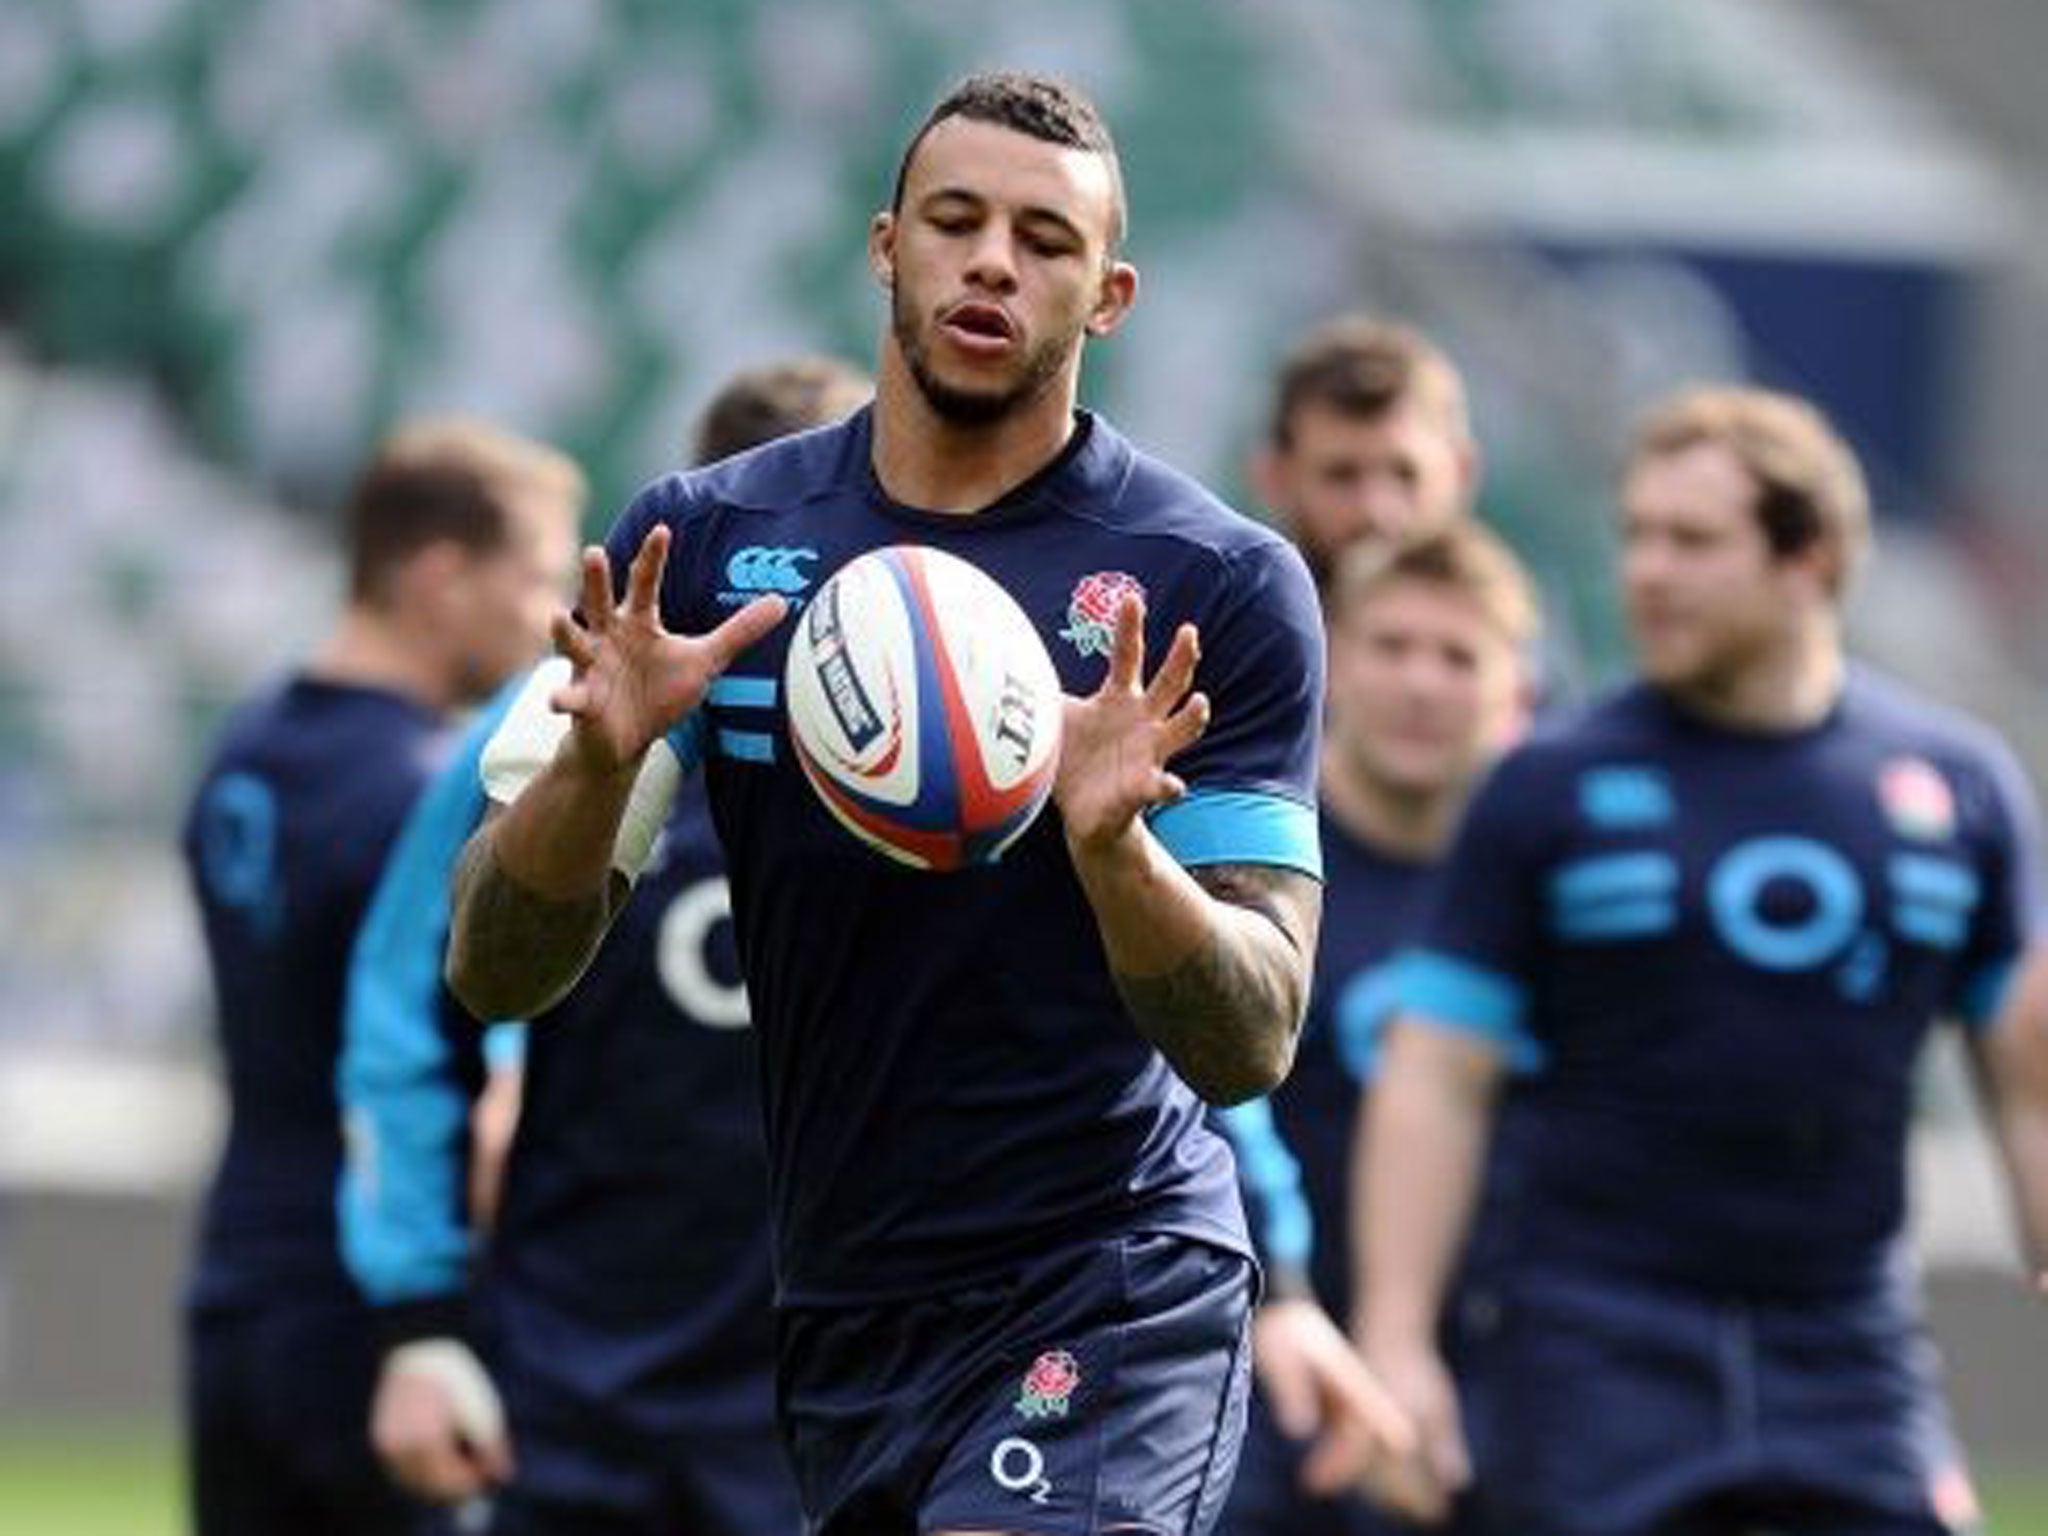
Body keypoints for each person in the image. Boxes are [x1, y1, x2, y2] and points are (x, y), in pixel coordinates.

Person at [445, 70, 1406, 1536]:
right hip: (845, 1303)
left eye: (1044, 239)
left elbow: (1250, 1037)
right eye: (956, 221)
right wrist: (591, 771)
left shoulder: (1210, 585)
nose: (993, 263)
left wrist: (1114, 847)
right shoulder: (699, 548)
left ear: (1112, 296)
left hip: (1110, 1277)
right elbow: (495, 964)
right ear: (887, 245)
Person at [1356, 385, 2048, 1535]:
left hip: (1848, 1347)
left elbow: (2022, 1077)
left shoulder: (1959, 788)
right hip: (1587, 1347)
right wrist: (1395, 1339)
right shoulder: (1548, 784)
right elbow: (1435, 1081)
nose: (1646, 571)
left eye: (1690, 541)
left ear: (1807, 559)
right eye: (1636, 535)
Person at [339, 356, 872, 1536]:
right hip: (570, 1387)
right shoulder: (555, 721)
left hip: (840, 1390)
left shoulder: (951, 748)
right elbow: (409, 1023)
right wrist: (419, 1324)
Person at [180, 420, 583, 1536]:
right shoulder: (422, 800)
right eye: (537, 577)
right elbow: (477, 1100)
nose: (551, 619)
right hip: (374, 1312)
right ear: (440, 574)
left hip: (238, 1282)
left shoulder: (244, 749)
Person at [1216, 527, 1537, 1536]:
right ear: (1334, 664)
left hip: (1497, 1380)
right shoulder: (1248, 861)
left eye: (1456, 657)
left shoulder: (1548, 892)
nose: (1418, 683)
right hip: (1266, 1357)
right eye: (1390, 647)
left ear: (1514, 693)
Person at [1249, 315, 1479, 590]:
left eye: (1405, 474)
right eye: (1342, 475)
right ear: (1275, 478)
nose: (1375, 510)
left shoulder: (1512, 625)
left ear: (1460, 471)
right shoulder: (1214, 626)